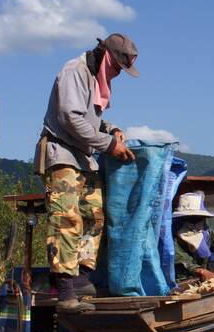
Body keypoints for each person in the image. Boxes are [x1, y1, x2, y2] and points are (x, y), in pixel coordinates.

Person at [34, 33, 139, 310]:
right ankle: (65, 291)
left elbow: (91, 119)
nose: (117, 75)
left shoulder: (95, 78)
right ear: (108, 58)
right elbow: (70, 117)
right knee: (67, 219)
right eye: (118, 68)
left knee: (95, 214)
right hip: (63, 156)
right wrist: (108, 144)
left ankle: (82, 279)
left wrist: (109, 128)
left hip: (83, 159)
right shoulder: (74, 72)